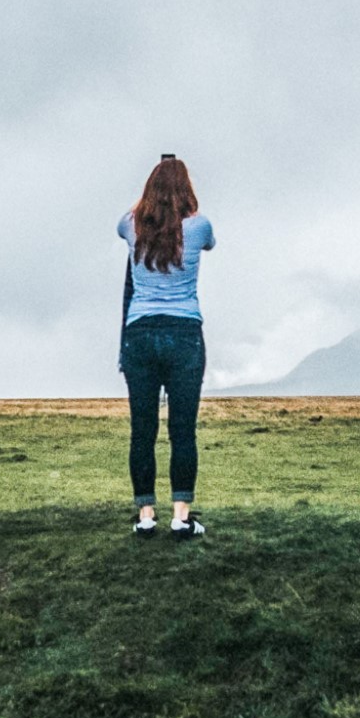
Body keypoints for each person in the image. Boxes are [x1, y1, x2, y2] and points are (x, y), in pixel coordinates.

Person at [118, 155, 214, 540]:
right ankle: (181, 516)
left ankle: (145, 515)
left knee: (142, 430)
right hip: (184, 333)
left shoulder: (130, 224)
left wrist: (148, 205)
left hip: (139, 333)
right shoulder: (200, 225)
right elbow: (210, 242)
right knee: (183, 431)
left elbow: (124, 223)